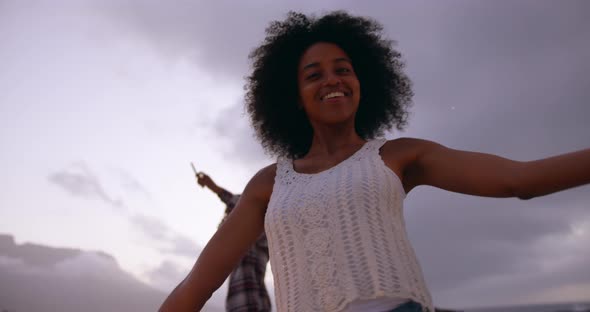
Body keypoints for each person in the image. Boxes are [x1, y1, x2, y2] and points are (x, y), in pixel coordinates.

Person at [160, 11, 590, 312]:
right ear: (293, 97)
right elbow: (197, 285)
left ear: (363, 80)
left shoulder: (398, 156)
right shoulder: (268, 185)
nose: (332, 80)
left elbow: (521, 180)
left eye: (343, 69)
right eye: (314, 75)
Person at [195, 172, 271, 312]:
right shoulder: (254, 239)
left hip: (248, 300)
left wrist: (213, 187)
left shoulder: (261, 232)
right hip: (251, 300)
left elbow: (238, 202)